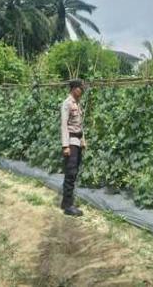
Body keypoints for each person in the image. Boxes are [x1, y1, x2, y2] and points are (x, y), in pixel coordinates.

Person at [60, 79, 87, 216]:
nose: (82, 91)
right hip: (70, 142)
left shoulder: (77, 104)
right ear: (74, 89)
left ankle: (65, 202)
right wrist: (65, 146)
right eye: (80, 88)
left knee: (74, 172)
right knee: (70, 173)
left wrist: (83, 139)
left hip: (77, 141)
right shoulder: (67, 103)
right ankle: (68, 206)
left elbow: (79, 125)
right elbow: (64, 125)